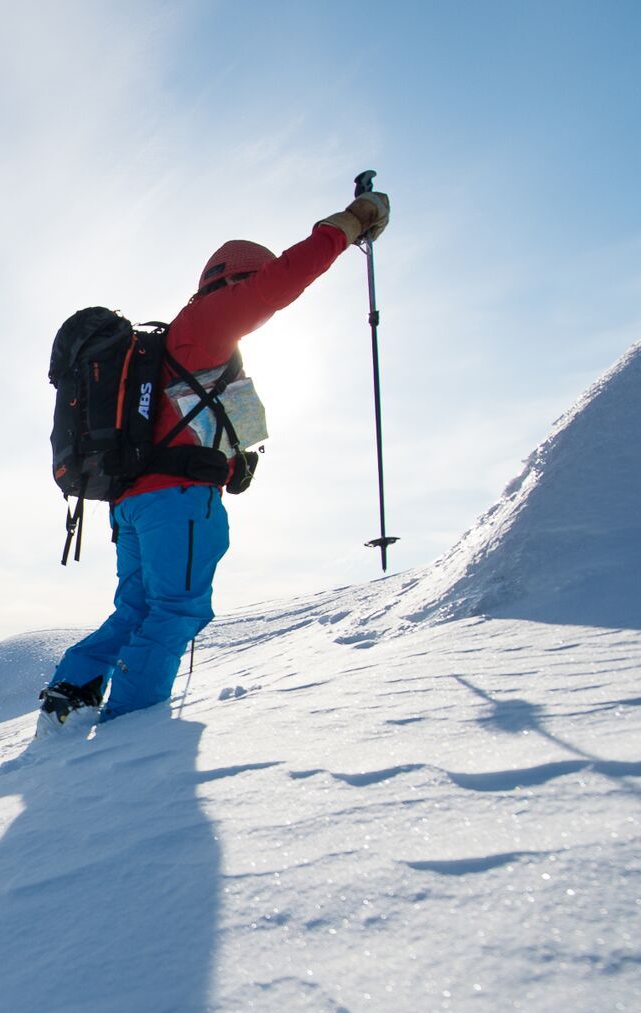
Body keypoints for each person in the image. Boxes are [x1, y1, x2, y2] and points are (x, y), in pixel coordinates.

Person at [41, 189, 391, 723]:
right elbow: (280, 284)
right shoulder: (207, 323)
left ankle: (70, 693)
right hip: (176, 501)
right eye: (252, 281)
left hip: (133, 503)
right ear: (235, 280)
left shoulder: (180, 343)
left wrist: (229, 463)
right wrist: (348, 224)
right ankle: (127, 730)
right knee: (177, 609)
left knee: (136, 608)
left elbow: (179, 421)